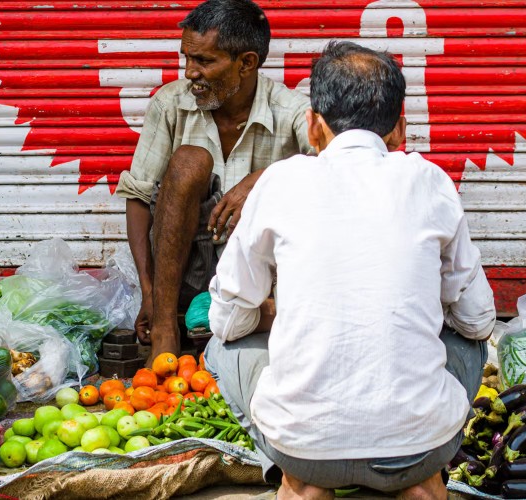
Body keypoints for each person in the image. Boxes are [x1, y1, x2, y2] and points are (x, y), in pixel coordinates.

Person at [203, 41, 496, 499]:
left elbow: (227, 318)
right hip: (421, 448)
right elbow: (478, 320)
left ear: (313, 127)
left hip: (304, 448)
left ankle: (302, 482)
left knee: (220, 348)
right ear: (399, 130)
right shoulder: (430, 180)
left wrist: (276, 313)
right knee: (471, 340)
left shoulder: (280, 182)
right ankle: (420, 479)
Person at [115, 0, 313, 362]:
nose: (190, 72)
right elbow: (138, 196)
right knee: (191, 160)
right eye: (186, 58)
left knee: (293, 179)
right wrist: (150, 293)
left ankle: (248, 323)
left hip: (258, 277)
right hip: (184, 270)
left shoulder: (293, 110)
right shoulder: (171, 103)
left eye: (204, 61)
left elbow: (333, 164)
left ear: (247, 63)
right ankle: (166, 332)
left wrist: (262, 179)